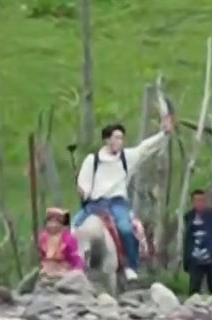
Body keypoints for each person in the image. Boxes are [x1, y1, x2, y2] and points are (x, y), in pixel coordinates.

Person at [74, 114, 174, 281]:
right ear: (107, 140)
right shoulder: (93, 160)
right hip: (95, 204)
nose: (120, 142)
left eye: (121, 138)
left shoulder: (127, 157)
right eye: (116, 138)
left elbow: (145, 148)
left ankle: (130, 266)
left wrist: (163, 134)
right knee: (74, 227)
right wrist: (83, 191)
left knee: (126, 229)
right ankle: (70, 265)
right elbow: (84, 182)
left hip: (117, 203)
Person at [181, 189, 212, 295]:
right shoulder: (189, 217)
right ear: (193, 202)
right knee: (194, 290)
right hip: (195, 259)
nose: (200, 203)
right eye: (197, 201)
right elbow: (188, 239)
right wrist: (187, 260)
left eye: (202, 200)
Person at [37, 208, 84, 278]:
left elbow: (75, 257)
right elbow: (41, 255)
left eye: (56, 222)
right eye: (50, 221)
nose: (53, 225)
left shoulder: (69, 239)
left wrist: (77, 270)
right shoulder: (43, 238)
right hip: (46, 269)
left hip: (63, 270)